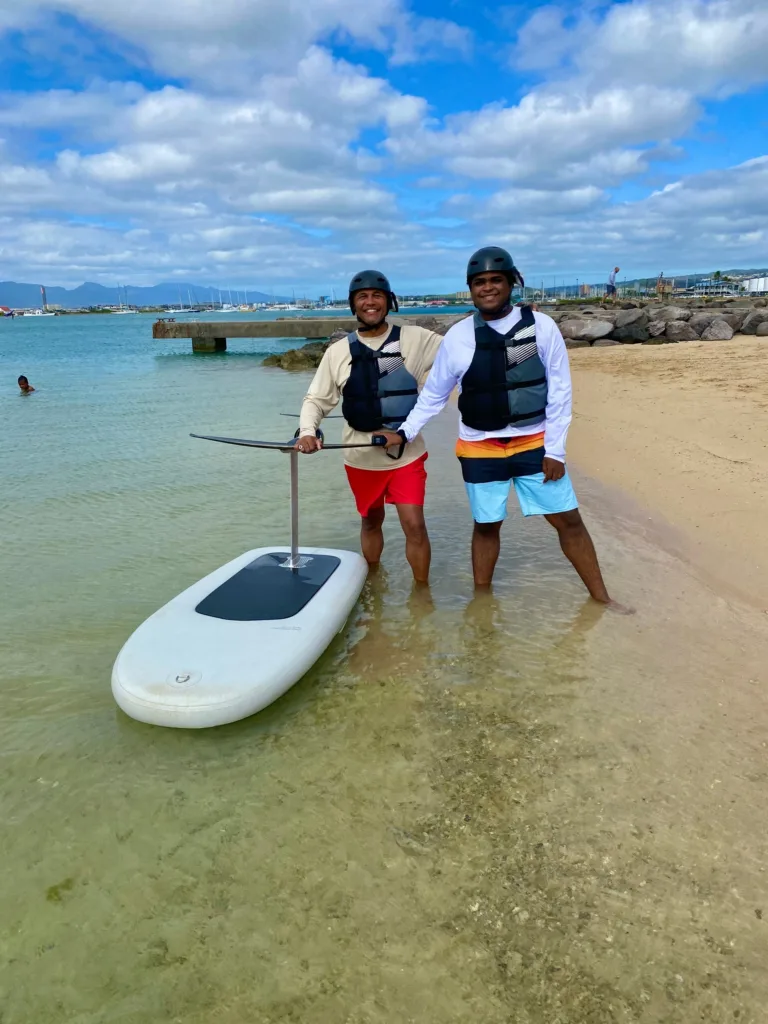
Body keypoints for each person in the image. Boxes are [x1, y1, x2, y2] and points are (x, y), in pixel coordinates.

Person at [378, 246, 623, 608]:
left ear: (512, 282)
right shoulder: (459, 337)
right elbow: (433, 395)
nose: (488, 288)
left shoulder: (541, 327)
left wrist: (554, 450)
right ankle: (482, 605)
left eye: (496, 280)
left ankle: (603, 599)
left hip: (534, 443)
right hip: (479, 447)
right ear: (470, 288)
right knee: (487, 525)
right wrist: (405, 432)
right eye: (480, 282)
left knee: (568, 521)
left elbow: (560, 392)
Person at [296, 270, 444, 584]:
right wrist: (308, 431)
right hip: (361, 456)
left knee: (414, 523)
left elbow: (461, 351)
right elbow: (316, 399)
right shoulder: (338, 353)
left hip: (407, 452)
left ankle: (422, 596)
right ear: (353, 305)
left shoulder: (416, 339)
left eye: (377, 295)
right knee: (370, 521)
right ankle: (373, 584)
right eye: (362, 297)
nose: (370, 302)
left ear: (389, 301)